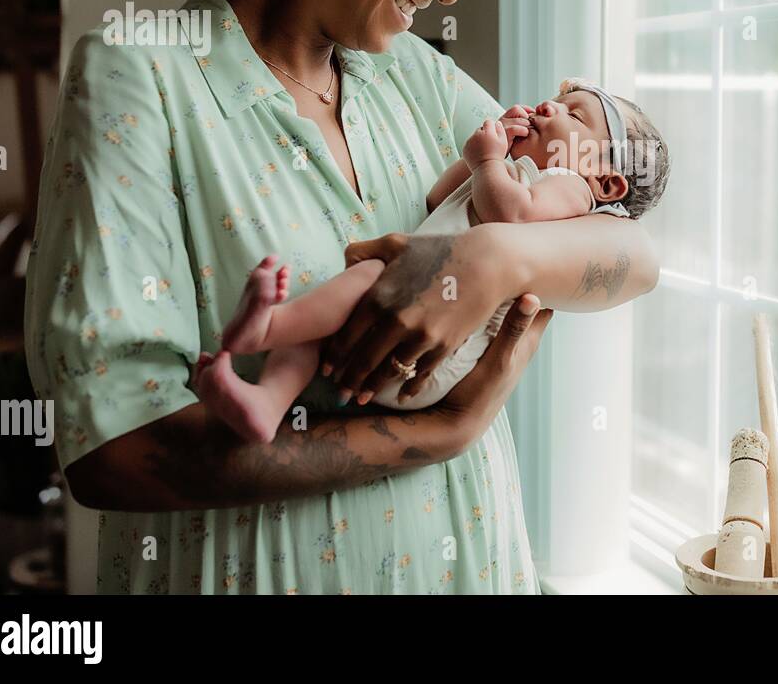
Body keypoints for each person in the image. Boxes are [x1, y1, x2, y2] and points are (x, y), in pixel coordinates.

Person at [23, 0, 658, 594]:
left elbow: (635, 257)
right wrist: (433, 434)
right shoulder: (141, 77)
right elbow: (113, 452)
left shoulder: (418, 80)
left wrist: (491, 257)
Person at [196, 80, 670, 442]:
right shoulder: (520, 174)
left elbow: (512, 215)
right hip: (406, 342)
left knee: (368, 275)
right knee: (324, 324)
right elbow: (437, 197)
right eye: (558, 100)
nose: (550, 107)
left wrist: (489, 165)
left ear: (606, 181)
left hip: (437, 356)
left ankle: (267, 327)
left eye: (575, 116)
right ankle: (268, 402)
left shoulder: (570, 188)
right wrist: (482, 157)